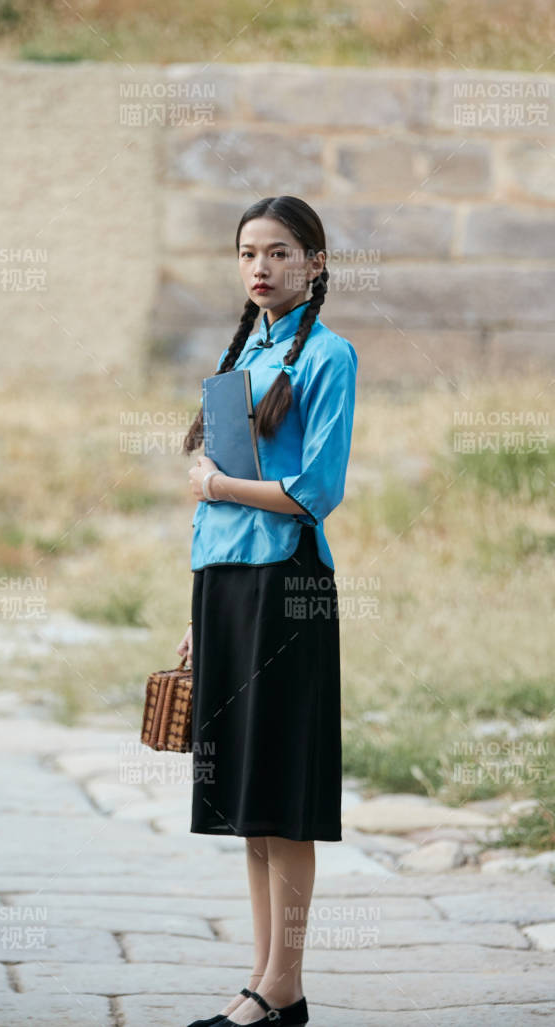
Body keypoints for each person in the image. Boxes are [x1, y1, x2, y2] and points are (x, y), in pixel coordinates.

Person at [177, 195, 358, 1027]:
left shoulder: (331, 355)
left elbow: (315, 491)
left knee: (282, 796)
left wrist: (216, 483)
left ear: (315, 263)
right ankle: (263, 982)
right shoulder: (246, 345)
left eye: (281, 252)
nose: (261, 267)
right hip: (226, 586)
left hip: (287, 589)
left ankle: (283, 986)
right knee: (249, 801)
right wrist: (195, 608)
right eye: (249, 252)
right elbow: (214, 513)